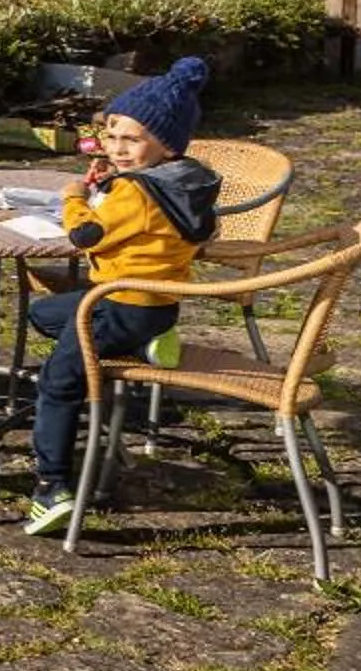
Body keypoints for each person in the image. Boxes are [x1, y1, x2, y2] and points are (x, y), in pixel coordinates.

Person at [23, 57, 219, 536]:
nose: (116, 148)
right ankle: (150, 343)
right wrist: (108, 188)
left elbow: (86, 236)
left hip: (117, 303)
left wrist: (75, 196)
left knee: (59, 380)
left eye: (131, 139)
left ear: (166, 143)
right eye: (110, 135)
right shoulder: (189, 182)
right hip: (158, 307)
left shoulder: (134, 193)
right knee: (45, 313)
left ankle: (52, 486)